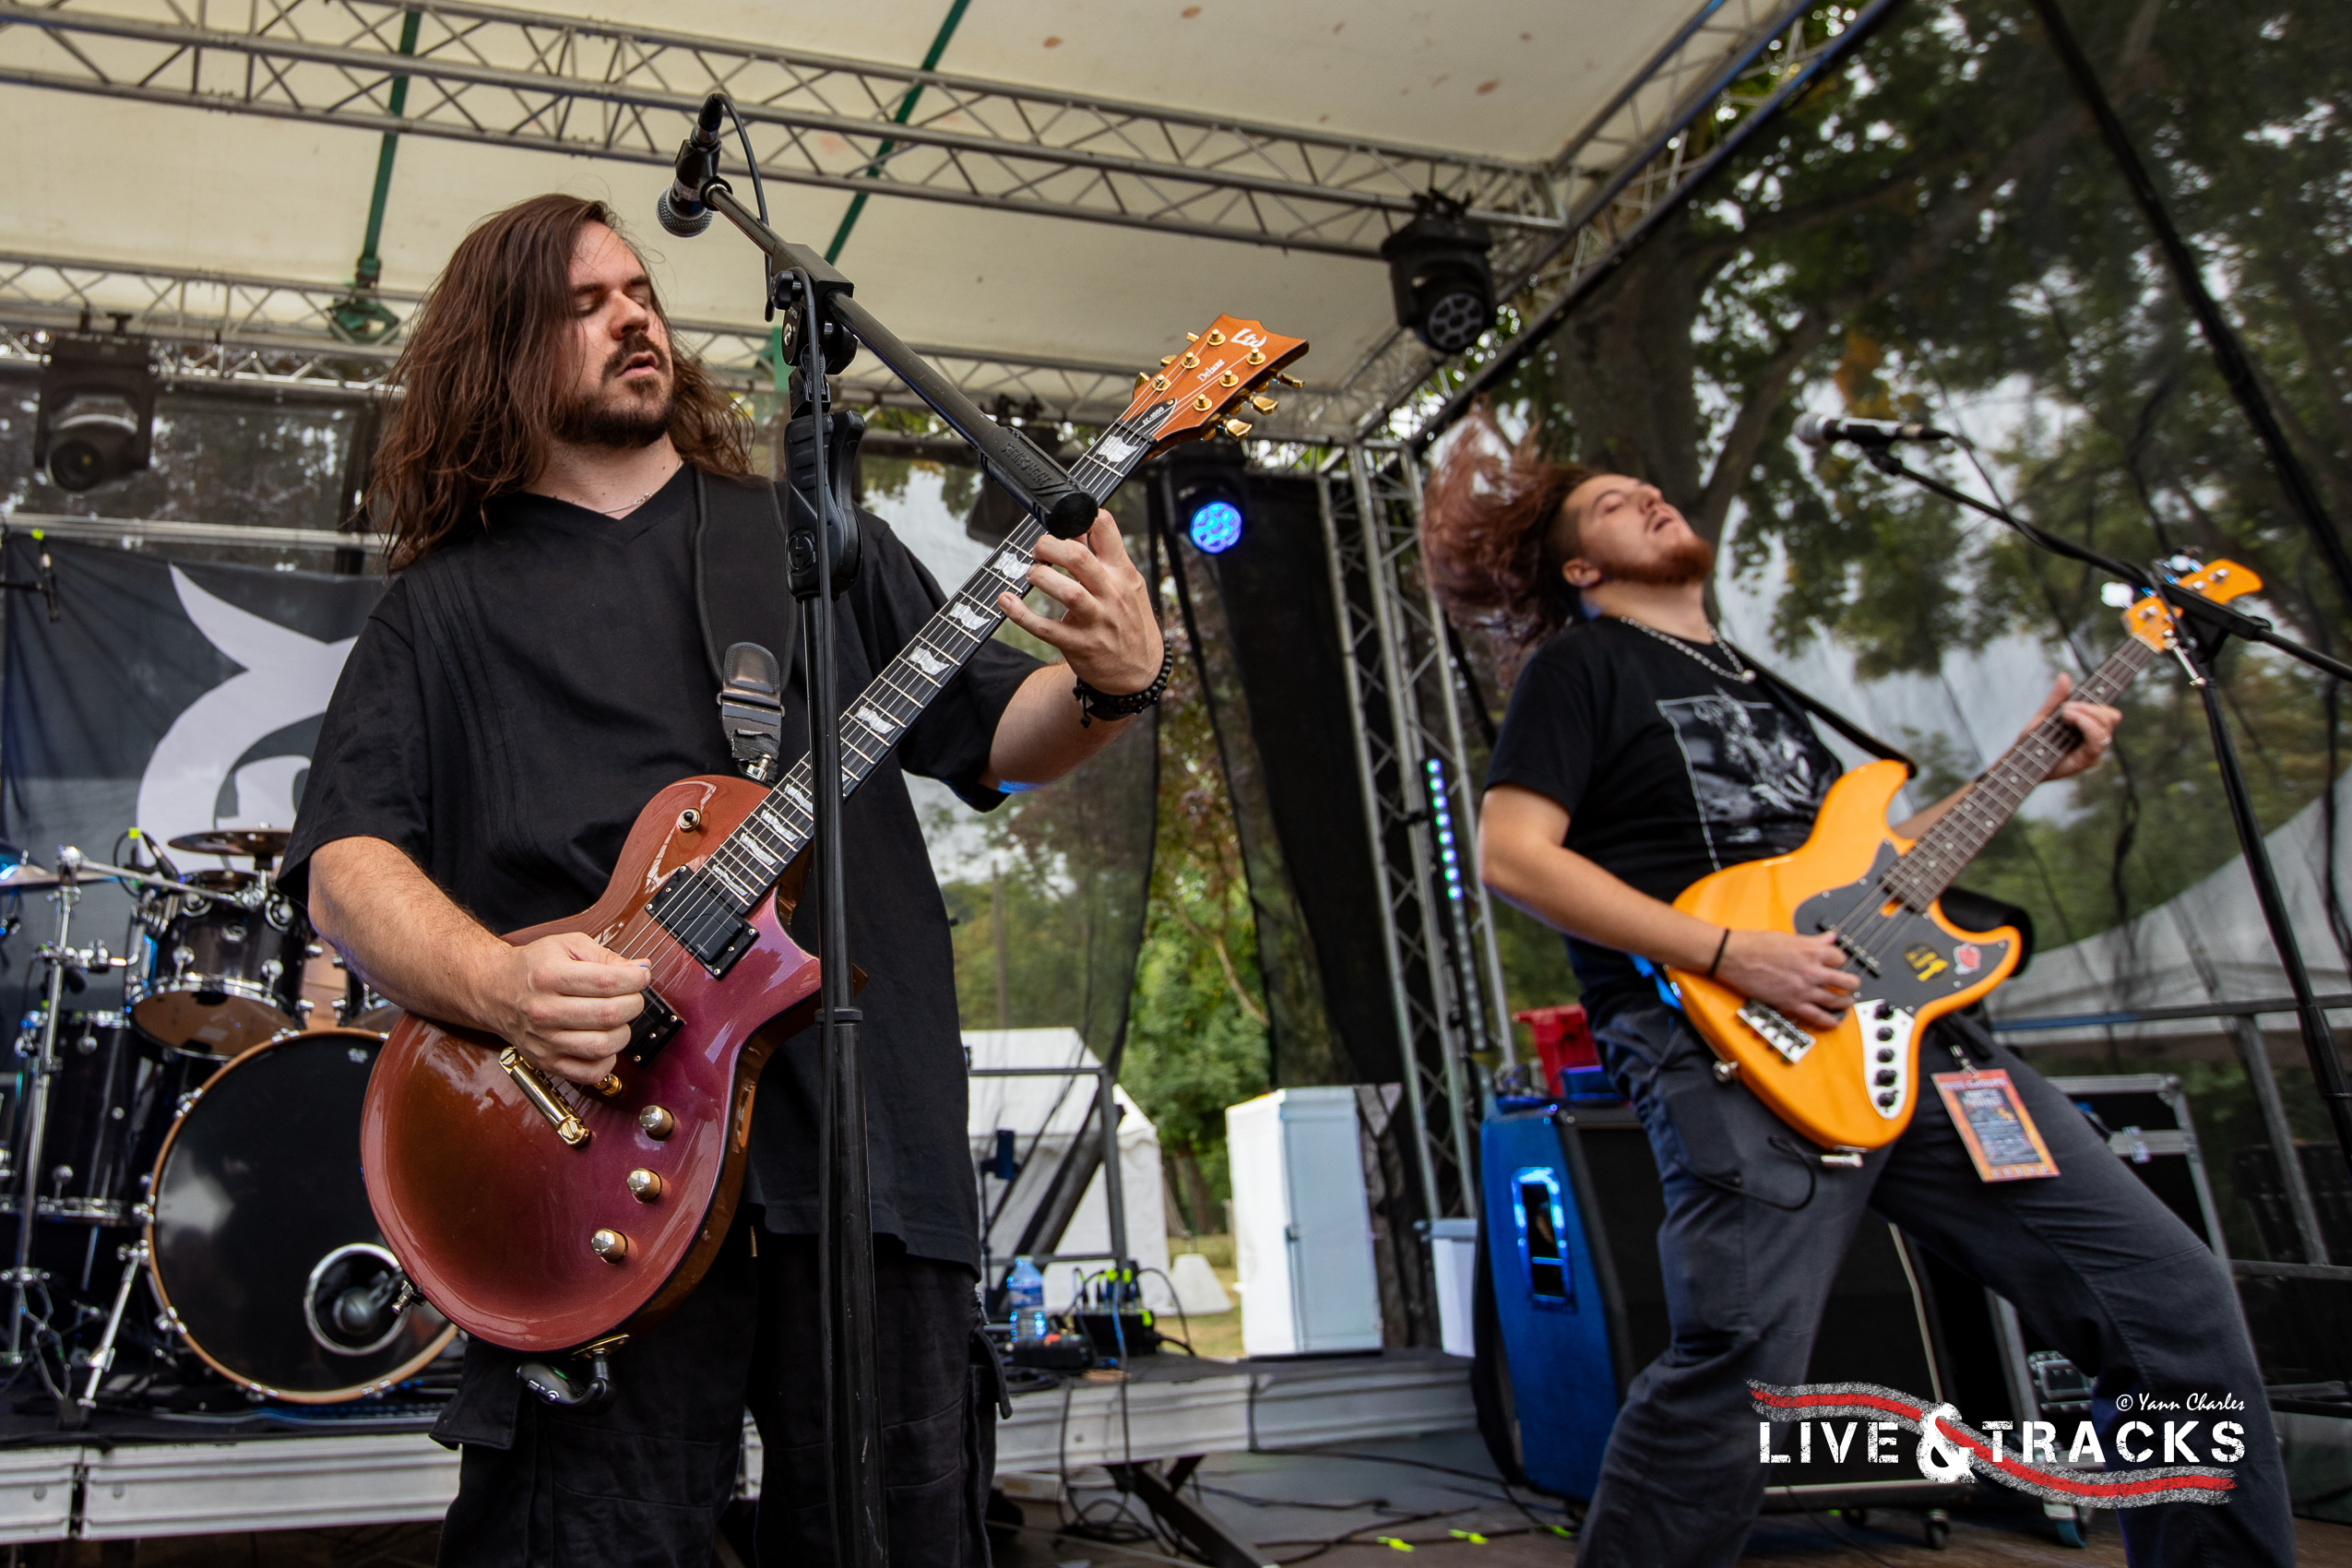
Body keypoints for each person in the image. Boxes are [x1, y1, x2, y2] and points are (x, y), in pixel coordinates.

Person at [281, 194, 1166, 1567]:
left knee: (901, 1528)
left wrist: (1114, 682)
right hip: (584, 1158)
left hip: (865, 1146)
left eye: (638, 291)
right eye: (583, 305)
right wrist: (503, 985)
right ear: (499, 348)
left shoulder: (810, 541)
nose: (633, 318)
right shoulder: (441, 608)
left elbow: (999, 729)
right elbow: (346, 865)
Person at [1429, 412, 2293, 1566]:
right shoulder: (1581, 669)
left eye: (1649, 485)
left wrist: (2031, 760)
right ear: (1580, 568)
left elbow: (1880, 874)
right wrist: (1728, 952)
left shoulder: (1766, 688)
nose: (1648, 497)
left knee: (2173, 1304)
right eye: (1611, 505)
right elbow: (1514, 856)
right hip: (1733, 1042)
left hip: (1908, 1039)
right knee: (1741, 1371)